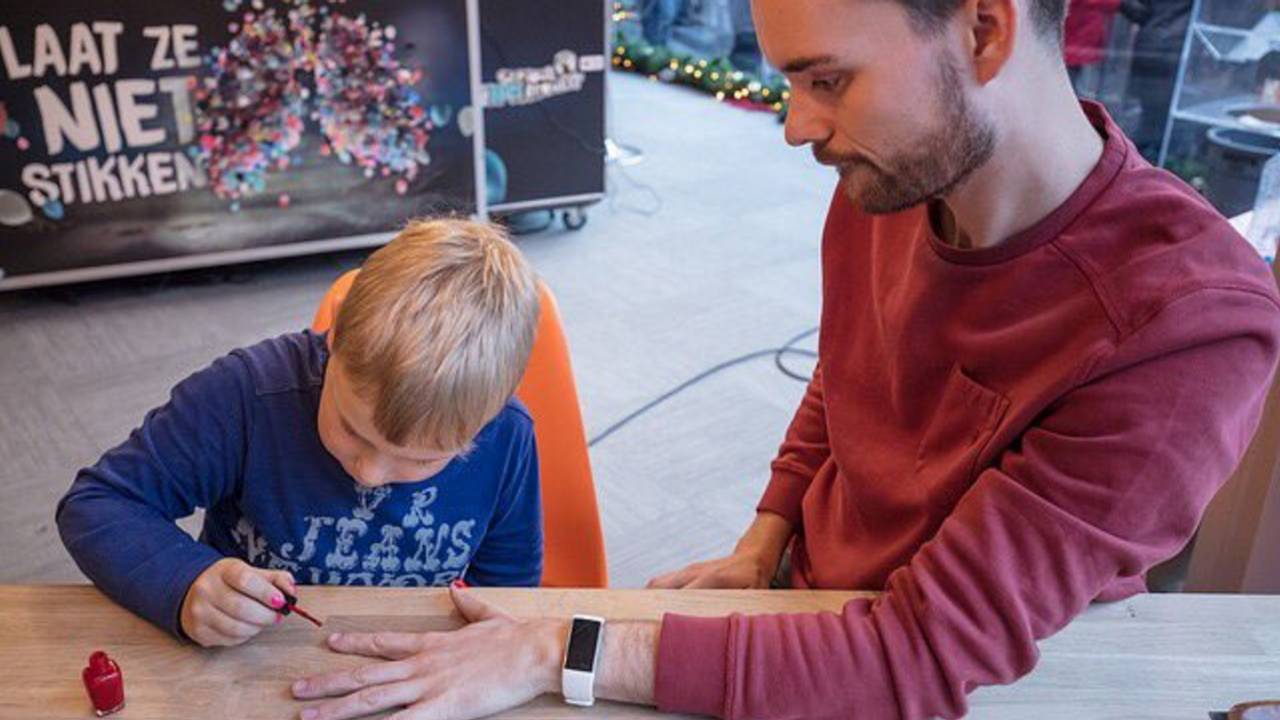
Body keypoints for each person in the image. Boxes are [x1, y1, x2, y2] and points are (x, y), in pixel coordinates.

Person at [290, 1, 1280, 718]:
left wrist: (564, 647)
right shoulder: (886, 182)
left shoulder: (1185, 324)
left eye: (826, 80)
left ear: (980, 29)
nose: (797, 125)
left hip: (994, 676)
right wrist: (766, 538)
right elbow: (844, 374)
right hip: (811, 600)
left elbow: (920, 659)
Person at [57, 218, 544, 648]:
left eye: (420, 460)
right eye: (353, 430)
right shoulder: (247, 395)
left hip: (414, 658)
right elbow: (98, 504)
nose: (370, 475)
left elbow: (507, 587)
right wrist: (185, 582)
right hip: (245, 649)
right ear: (335, 342)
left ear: (486, 420)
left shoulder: (507, 437)